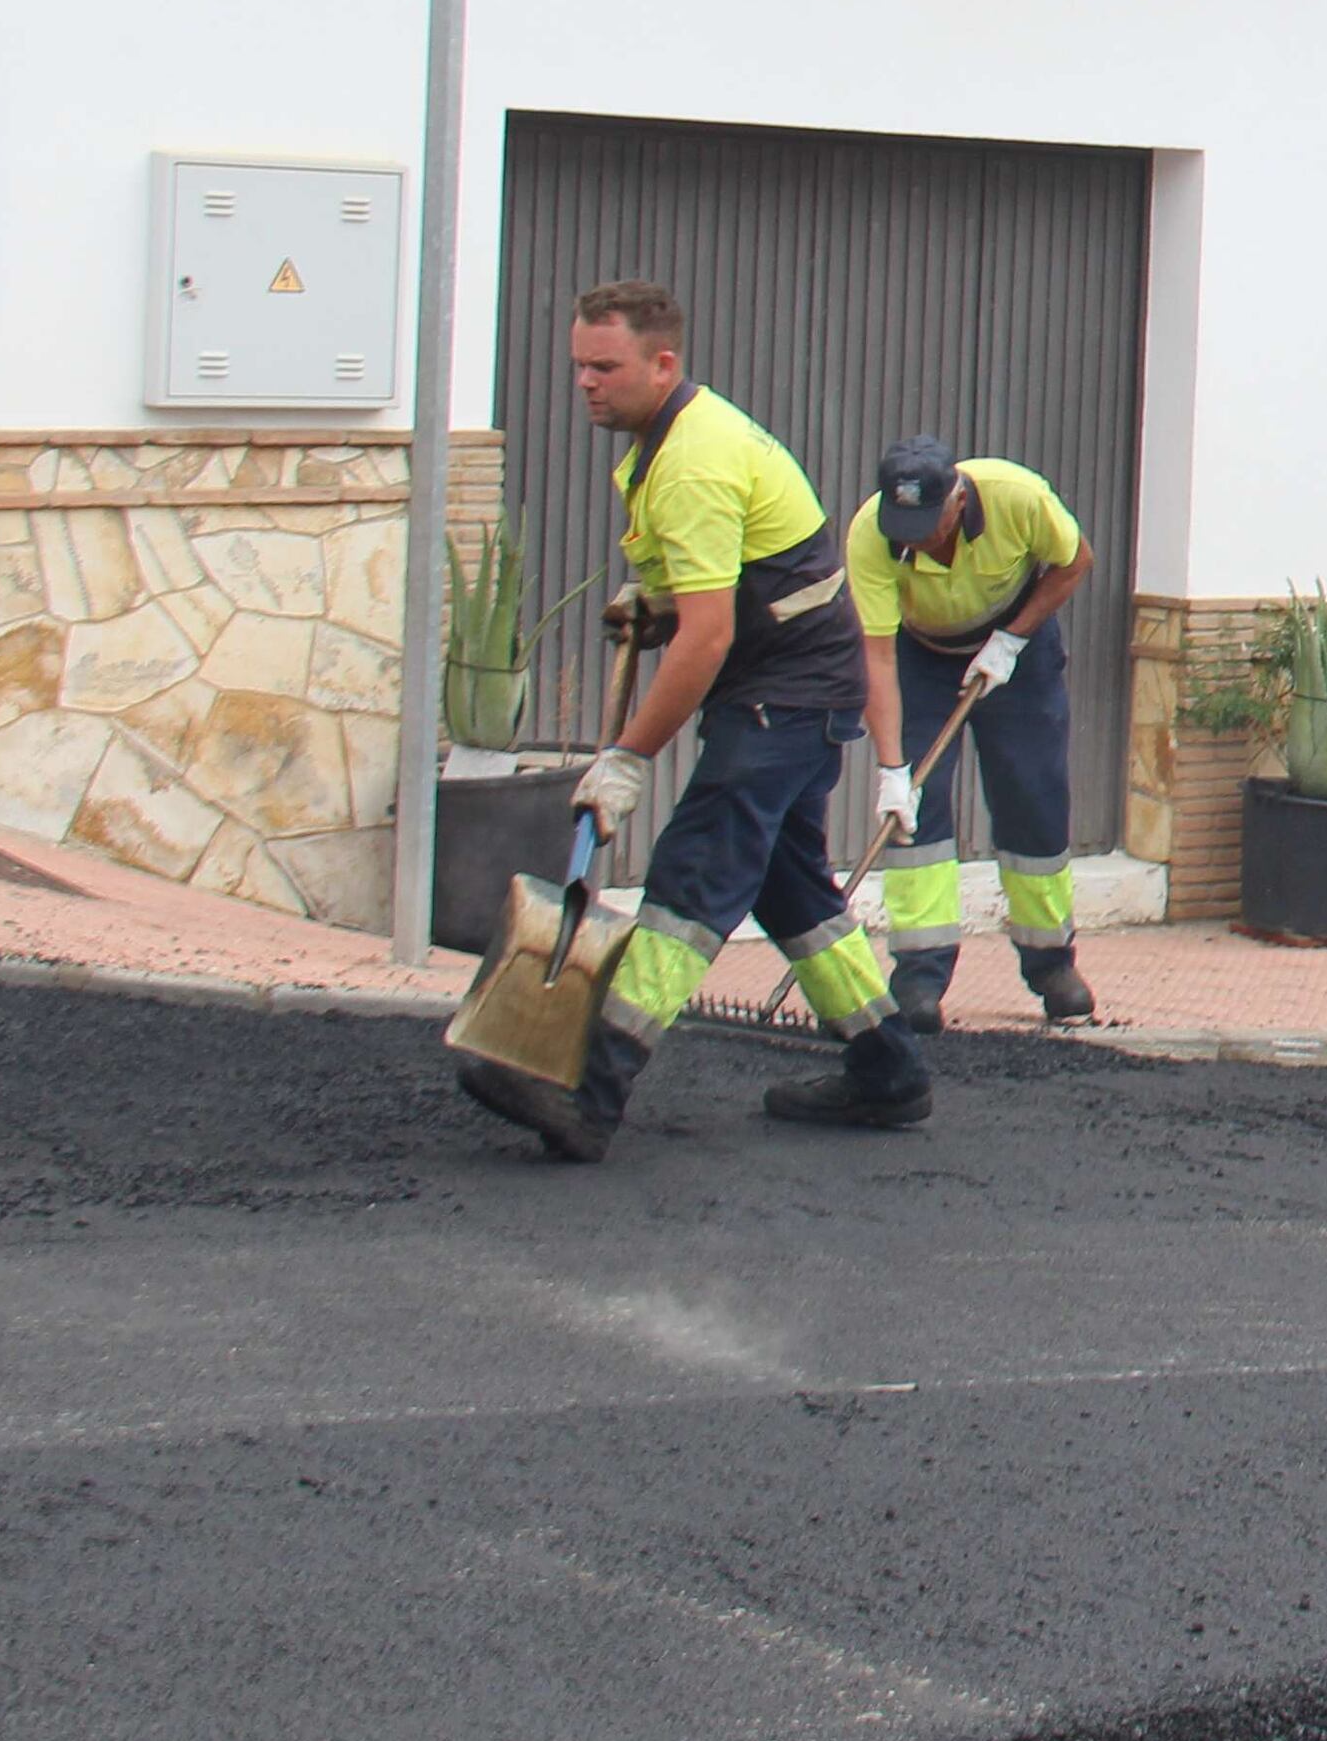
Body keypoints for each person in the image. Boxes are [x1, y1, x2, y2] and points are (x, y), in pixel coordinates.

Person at [458, 281, 931, 1159]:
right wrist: (658, 603)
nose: (586, 382)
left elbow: (708, 637)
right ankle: (887, 1068)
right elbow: (719, 590)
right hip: (791, 682)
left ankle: (588, 1089)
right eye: (579, 366)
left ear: (663, 363)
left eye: (605, 366)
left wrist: (627, 756)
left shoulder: (693, 461)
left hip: (785, 692)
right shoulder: (662, 444)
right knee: (790, 887)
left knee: (694, 875)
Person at [851, 435, 1098, 1033]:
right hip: (921, 654)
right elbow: (876, 657)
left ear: (958, 500)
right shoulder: (871, 535)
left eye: (926, 526)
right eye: (903, 527)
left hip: (1016, 646)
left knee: (1032, 796)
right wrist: (891, 770)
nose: (913, 540)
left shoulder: (1018, 497)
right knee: (917, 807)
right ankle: (919, 975)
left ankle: (1052, 963)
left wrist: (1011, 639)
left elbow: (1075, 562)